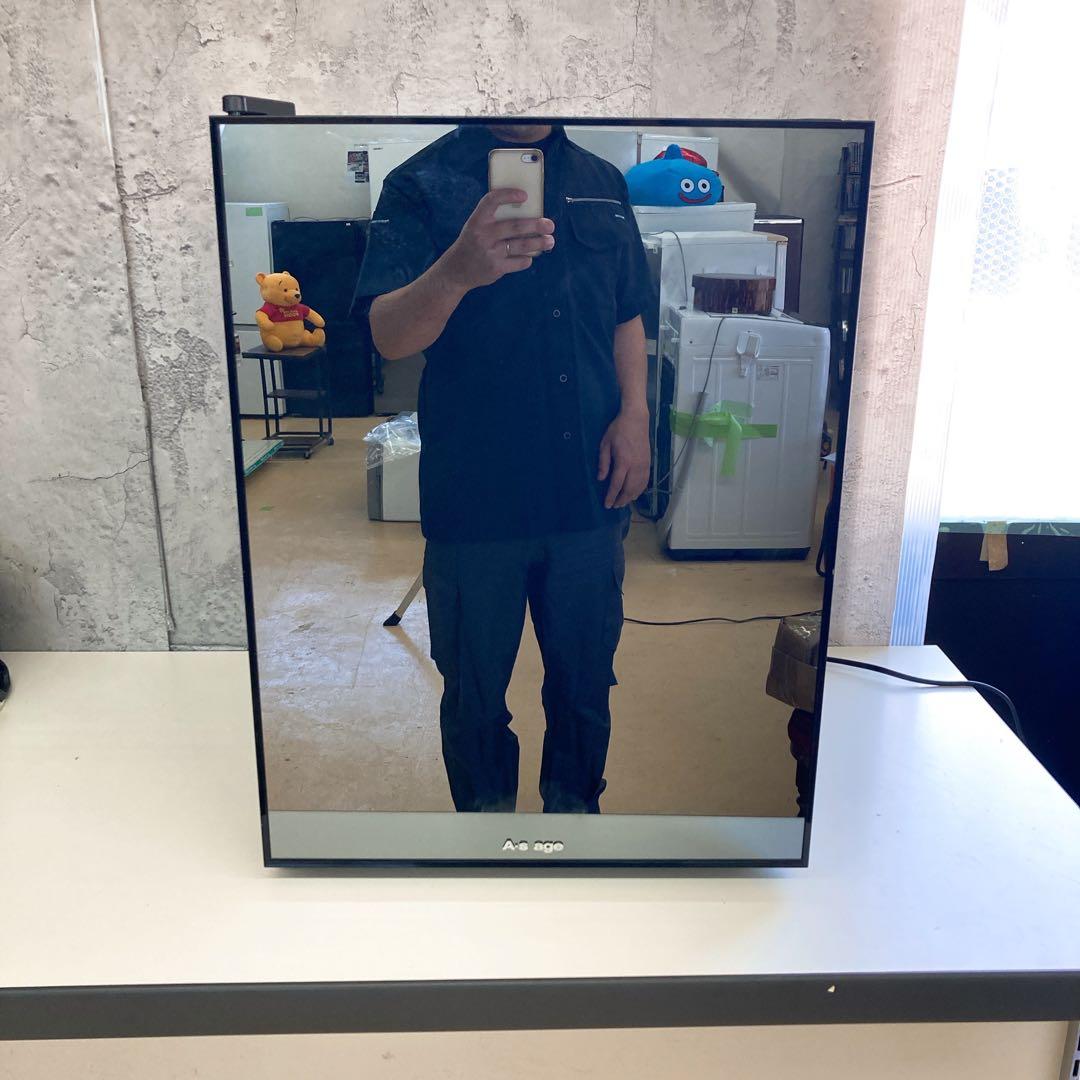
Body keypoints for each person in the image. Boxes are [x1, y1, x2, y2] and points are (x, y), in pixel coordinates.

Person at [352, 122, 652, 814]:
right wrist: (458, 270)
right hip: (477, 495)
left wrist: (635, 414)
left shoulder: (604, 183)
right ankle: (486, 840)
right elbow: (388, 336)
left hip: (589, 487)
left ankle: (572, 829)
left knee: (584, 688)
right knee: (475, 697)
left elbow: (627, 314)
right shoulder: (419, 183)